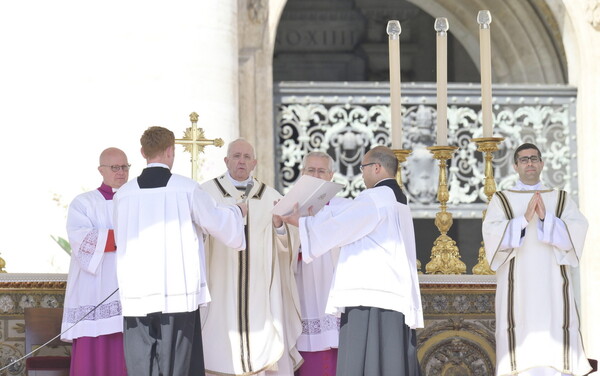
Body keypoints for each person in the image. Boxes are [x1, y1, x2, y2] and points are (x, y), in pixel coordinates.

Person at [113, 126, 247, 376]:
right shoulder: (186, 188)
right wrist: (238, 212)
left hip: (137, 293)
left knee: (142, 363)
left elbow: (121, 239)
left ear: (143, 152)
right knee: (176, 365)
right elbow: (217, 222)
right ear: (170, 151)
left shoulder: (124, 194)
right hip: (176, 291)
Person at [282, 145, 423, 376]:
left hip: (370, 297)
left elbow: (340, 227)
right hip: (392, 296)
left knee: (365, 363)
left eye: (363, 167)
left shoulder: (375, 198)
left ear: (376, 168)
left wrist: (302, 222)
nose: (362, 173)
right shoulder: (397, 199)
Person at [482, 143, 592, 376]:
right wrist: (523, 220)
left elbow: (578, 230)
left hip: (552, 284)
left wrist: (547, 219)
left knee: (554, 335)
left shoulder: (560, 198)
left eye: (534, 159)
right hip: (517, 285)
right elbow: (491, 234)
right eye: (523, 160)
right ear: (515, 166)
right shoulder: (502, 199)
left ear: (542, 163)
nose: (529, 163)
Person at [200, 138, 302, 375]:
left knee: (260, 349)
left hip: (259, 292)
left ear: (255, 162)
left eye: (247, 157)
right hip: (220, 286)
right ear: (226, 161)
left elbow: (288, 244)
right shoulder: (207, 193)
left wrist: (279, 226)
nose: (241, 161)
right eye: (236, 156)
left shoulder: (271, 197)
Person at [61, 147, 129, 376]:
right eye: (114, 167)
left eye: (125, 167)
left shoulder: (137, 200)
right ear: (101, 170)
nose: (121, 172)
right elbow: (82, 240)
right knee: (94, 349)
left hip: (129, 290)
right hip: (94, 291)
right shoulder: (84, 203)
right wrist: (125, 236)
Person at [294, 151, 346, 376]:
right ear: (302, 173)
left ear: (331, 175)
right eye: (311, 170)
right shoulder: (289, 205)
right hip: (302, 287)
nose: (315, 175)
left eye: (321, 171)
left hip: (335, 287)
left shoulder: (344, 207)